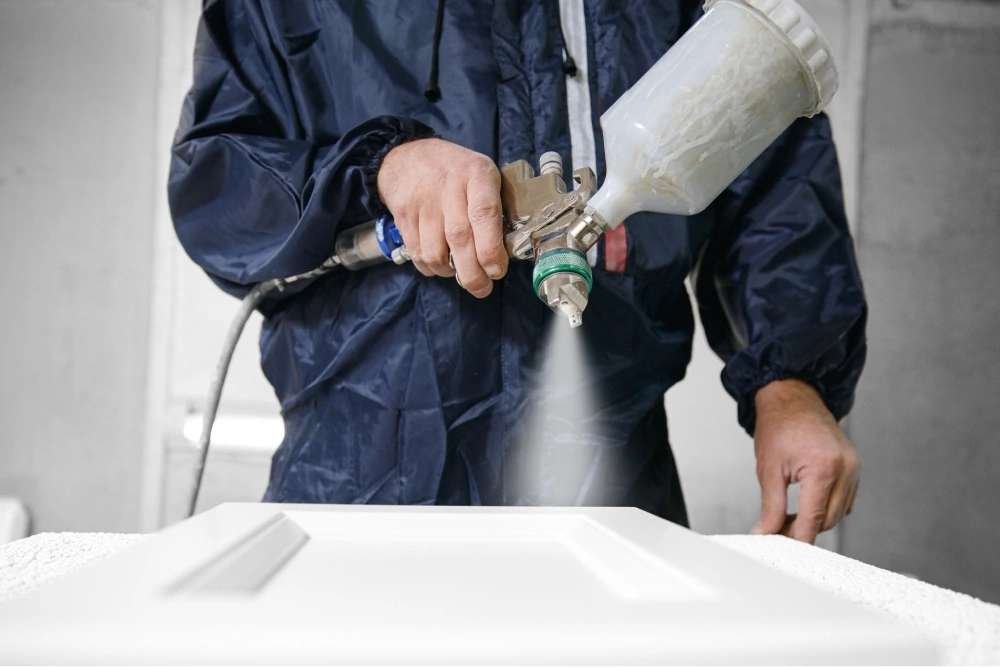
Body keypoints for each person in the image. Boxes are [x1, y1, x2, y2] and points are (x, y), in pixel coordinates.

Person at [169, 0, 866, 544]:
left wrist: (791, 381)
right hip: (361, 478)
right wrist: (379, 168)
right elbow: (218, 180)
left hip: (612, 478)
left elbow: (767, 163)